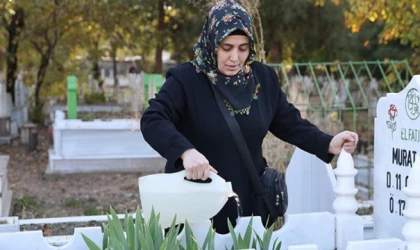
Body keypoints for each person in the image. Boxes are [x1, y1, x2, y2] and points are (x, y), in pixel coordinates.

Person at [140, 0, 358, 234]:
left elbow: (288, 123)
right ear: (212, 41)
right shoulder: (186, 80)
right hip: (196, 207)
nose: (235, 57)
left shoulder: (262, 78)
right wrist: (186, 152)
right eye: (227, 47)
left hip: (248, 207)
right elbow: (153, 119)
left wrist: (327, 142)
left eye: (243, 48)